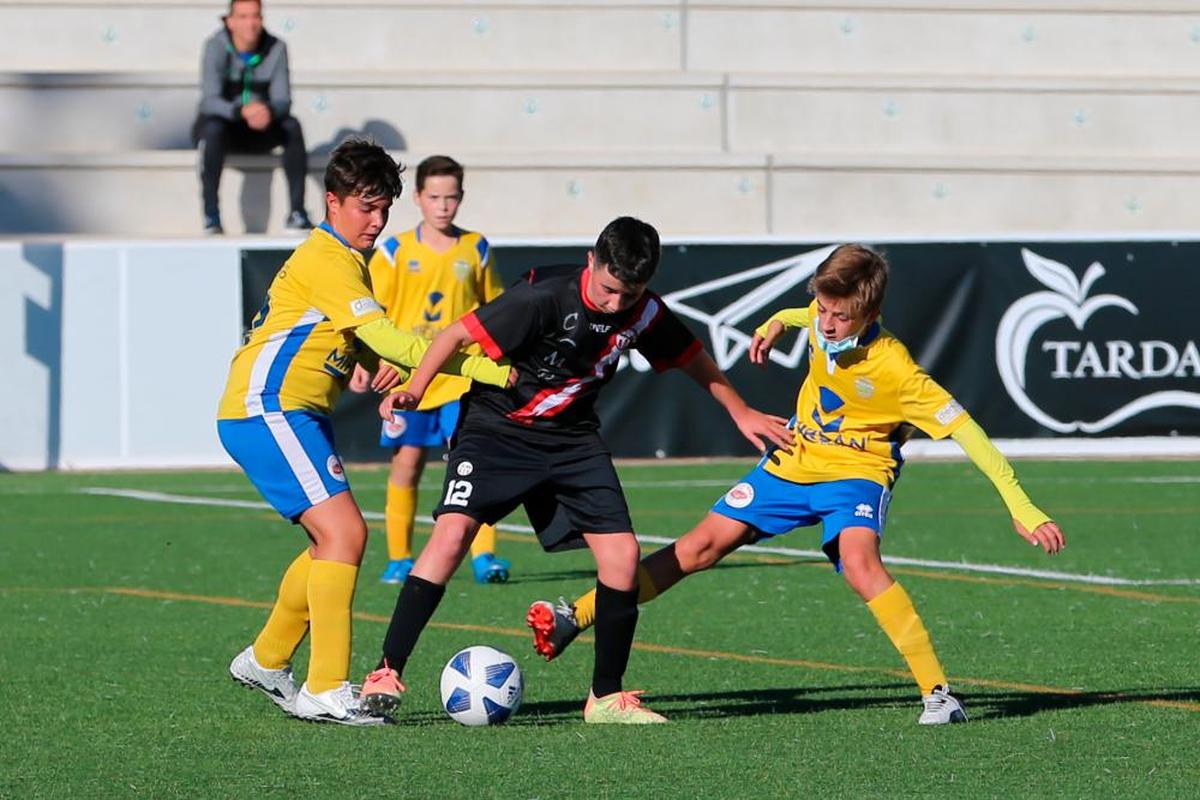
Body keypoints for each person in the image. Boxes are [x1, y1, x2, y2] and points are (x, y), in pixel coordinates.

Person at [526, 243, 1067, 726]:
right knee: (697, 547)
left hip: (856, 473)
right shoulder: (819, 313)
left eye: (841, 317)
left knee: (860, 565)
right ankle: (579, 614)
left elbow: (969, 432)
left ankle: (939, 694)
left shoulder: (899, 372)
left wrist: (1022, 505)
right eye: (824, 311)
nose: (827, 325)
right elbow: (800, 312)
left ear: (871, 313)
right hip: (794, 458)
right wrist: (775, 324)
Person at [356, 216, 794, 724]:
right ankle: (386, 671)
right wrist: (417, 389)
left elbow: (692, 354)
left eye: (628, 295)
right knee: (452, 534)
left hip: (572, 438)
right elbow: (455, 335)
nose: (614, 304)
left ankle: (605, 697)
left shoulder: (645, 311)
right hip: (498, 427)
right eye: (608, 290)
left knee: (623, 555)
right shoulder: (543, 295)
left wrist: (740, 410)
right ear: (592, 261)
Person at [217, 138, 512, 726]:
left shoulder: (350, 260)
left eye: (384, 210)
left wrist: (365, 362)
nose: (376, 222)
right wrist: (487, 369)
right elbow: (397, 342)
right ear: (332, 202)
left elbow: (366, 347)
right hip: (268, 407)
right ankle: (326, 687)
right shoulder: (328, 257)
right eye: (365, 208)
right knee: (346, 534)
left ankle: (269, 657)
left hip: (290, 410)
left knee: (331, 541)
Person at [349, 155, 511, 586]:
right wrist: (366, 361)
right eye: (434, 197)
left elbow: (492, 308)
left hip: (460, 378)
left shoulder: (476, 247)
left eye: (451, 197)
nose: (443, 205)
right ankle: (400, 557)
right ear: (418, 198)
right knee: (408, 465)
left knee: (474, 465)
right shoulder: (396, 251)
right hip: (410, 378)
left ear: (461, 198)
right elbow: (373, 310)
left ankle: (485, 555)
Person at [194, 0, 312, 234]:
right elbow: (209, 100)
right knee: (212, 129)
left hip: (261, 127)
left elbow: (283, 99)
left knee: (292, 126)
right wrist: (240, 111)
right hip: (226, 127)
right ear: (230, 21)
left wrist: (267, 111)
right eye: (243, 17)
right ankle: (211, 215)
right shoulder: (215, 46)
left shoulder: (277, 47)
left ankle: (297, 211)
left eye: (256, 16)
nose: (251, 23)